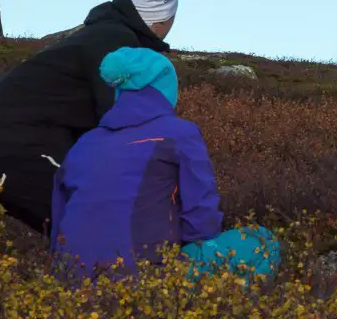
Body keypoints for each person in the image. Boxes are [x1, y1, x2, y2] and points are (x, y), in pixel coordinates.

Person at [0, 0, 180, 235]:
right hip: (17, 150)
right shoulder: (118, 45)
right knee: (104, 227)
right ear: (165, 18)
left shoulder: (99, 35)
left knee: (83, 231)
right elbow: (123, 128)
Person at [49, 46, 281, 281]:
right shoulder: (180, 134)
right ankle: (216, 313)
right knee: (262, 241)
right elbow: (201, 220)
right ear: (164, 87)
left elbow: (58, 221)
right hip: (149, 280)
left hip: (73, 284)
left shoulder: (84, 144)